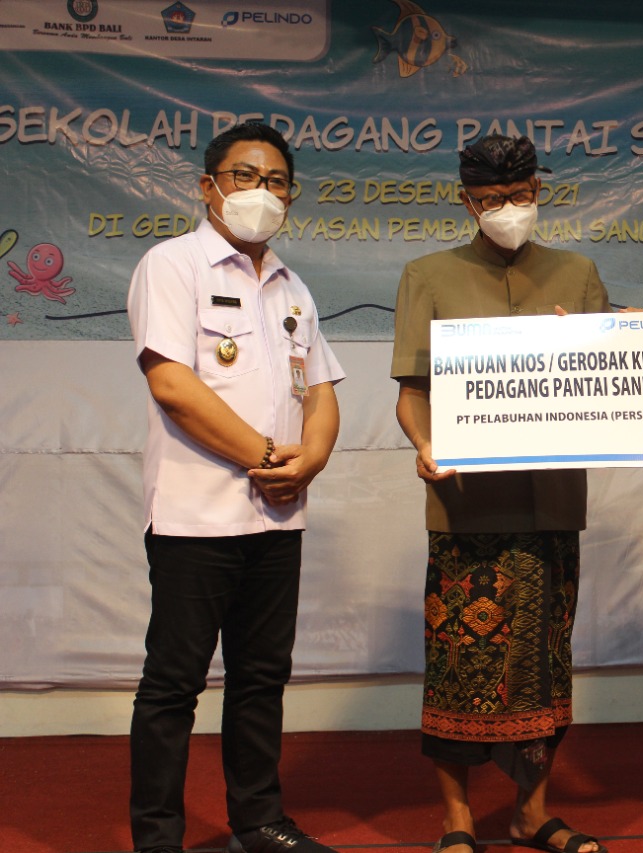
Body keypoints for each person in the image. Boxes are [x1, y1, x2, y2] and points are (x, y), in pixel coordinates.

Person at [126, 122, 344, 853]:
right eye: (246, 176)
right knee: (174, 684)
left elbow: (320, 389)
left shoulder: (291, 283)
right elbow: (172, 384)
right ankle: (158, 834)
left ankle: (259, 819)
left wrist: (308, 461)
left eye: (277, 181)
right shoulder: (173, 264)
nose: (262, 192)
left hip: (278, 521)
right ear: (208, 186)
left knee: (261, 679)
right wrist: (268, 456)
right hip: (195, 517)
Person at [391, 134, 611, 853]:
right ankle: (457, 819)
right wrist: (424, 446)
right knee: (458, 664)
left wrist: (588, 349)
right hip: (465, 507)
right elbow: (412, 396)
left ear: (537, 194)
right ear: (467, 201)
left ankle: (532, 811)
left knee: (546, 661)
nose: (506, 210)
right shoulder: (427, 275)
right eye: (490, 199)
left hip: (551, 503)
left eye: (518, 196)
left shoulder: (578, 274)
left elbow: (610, 387)